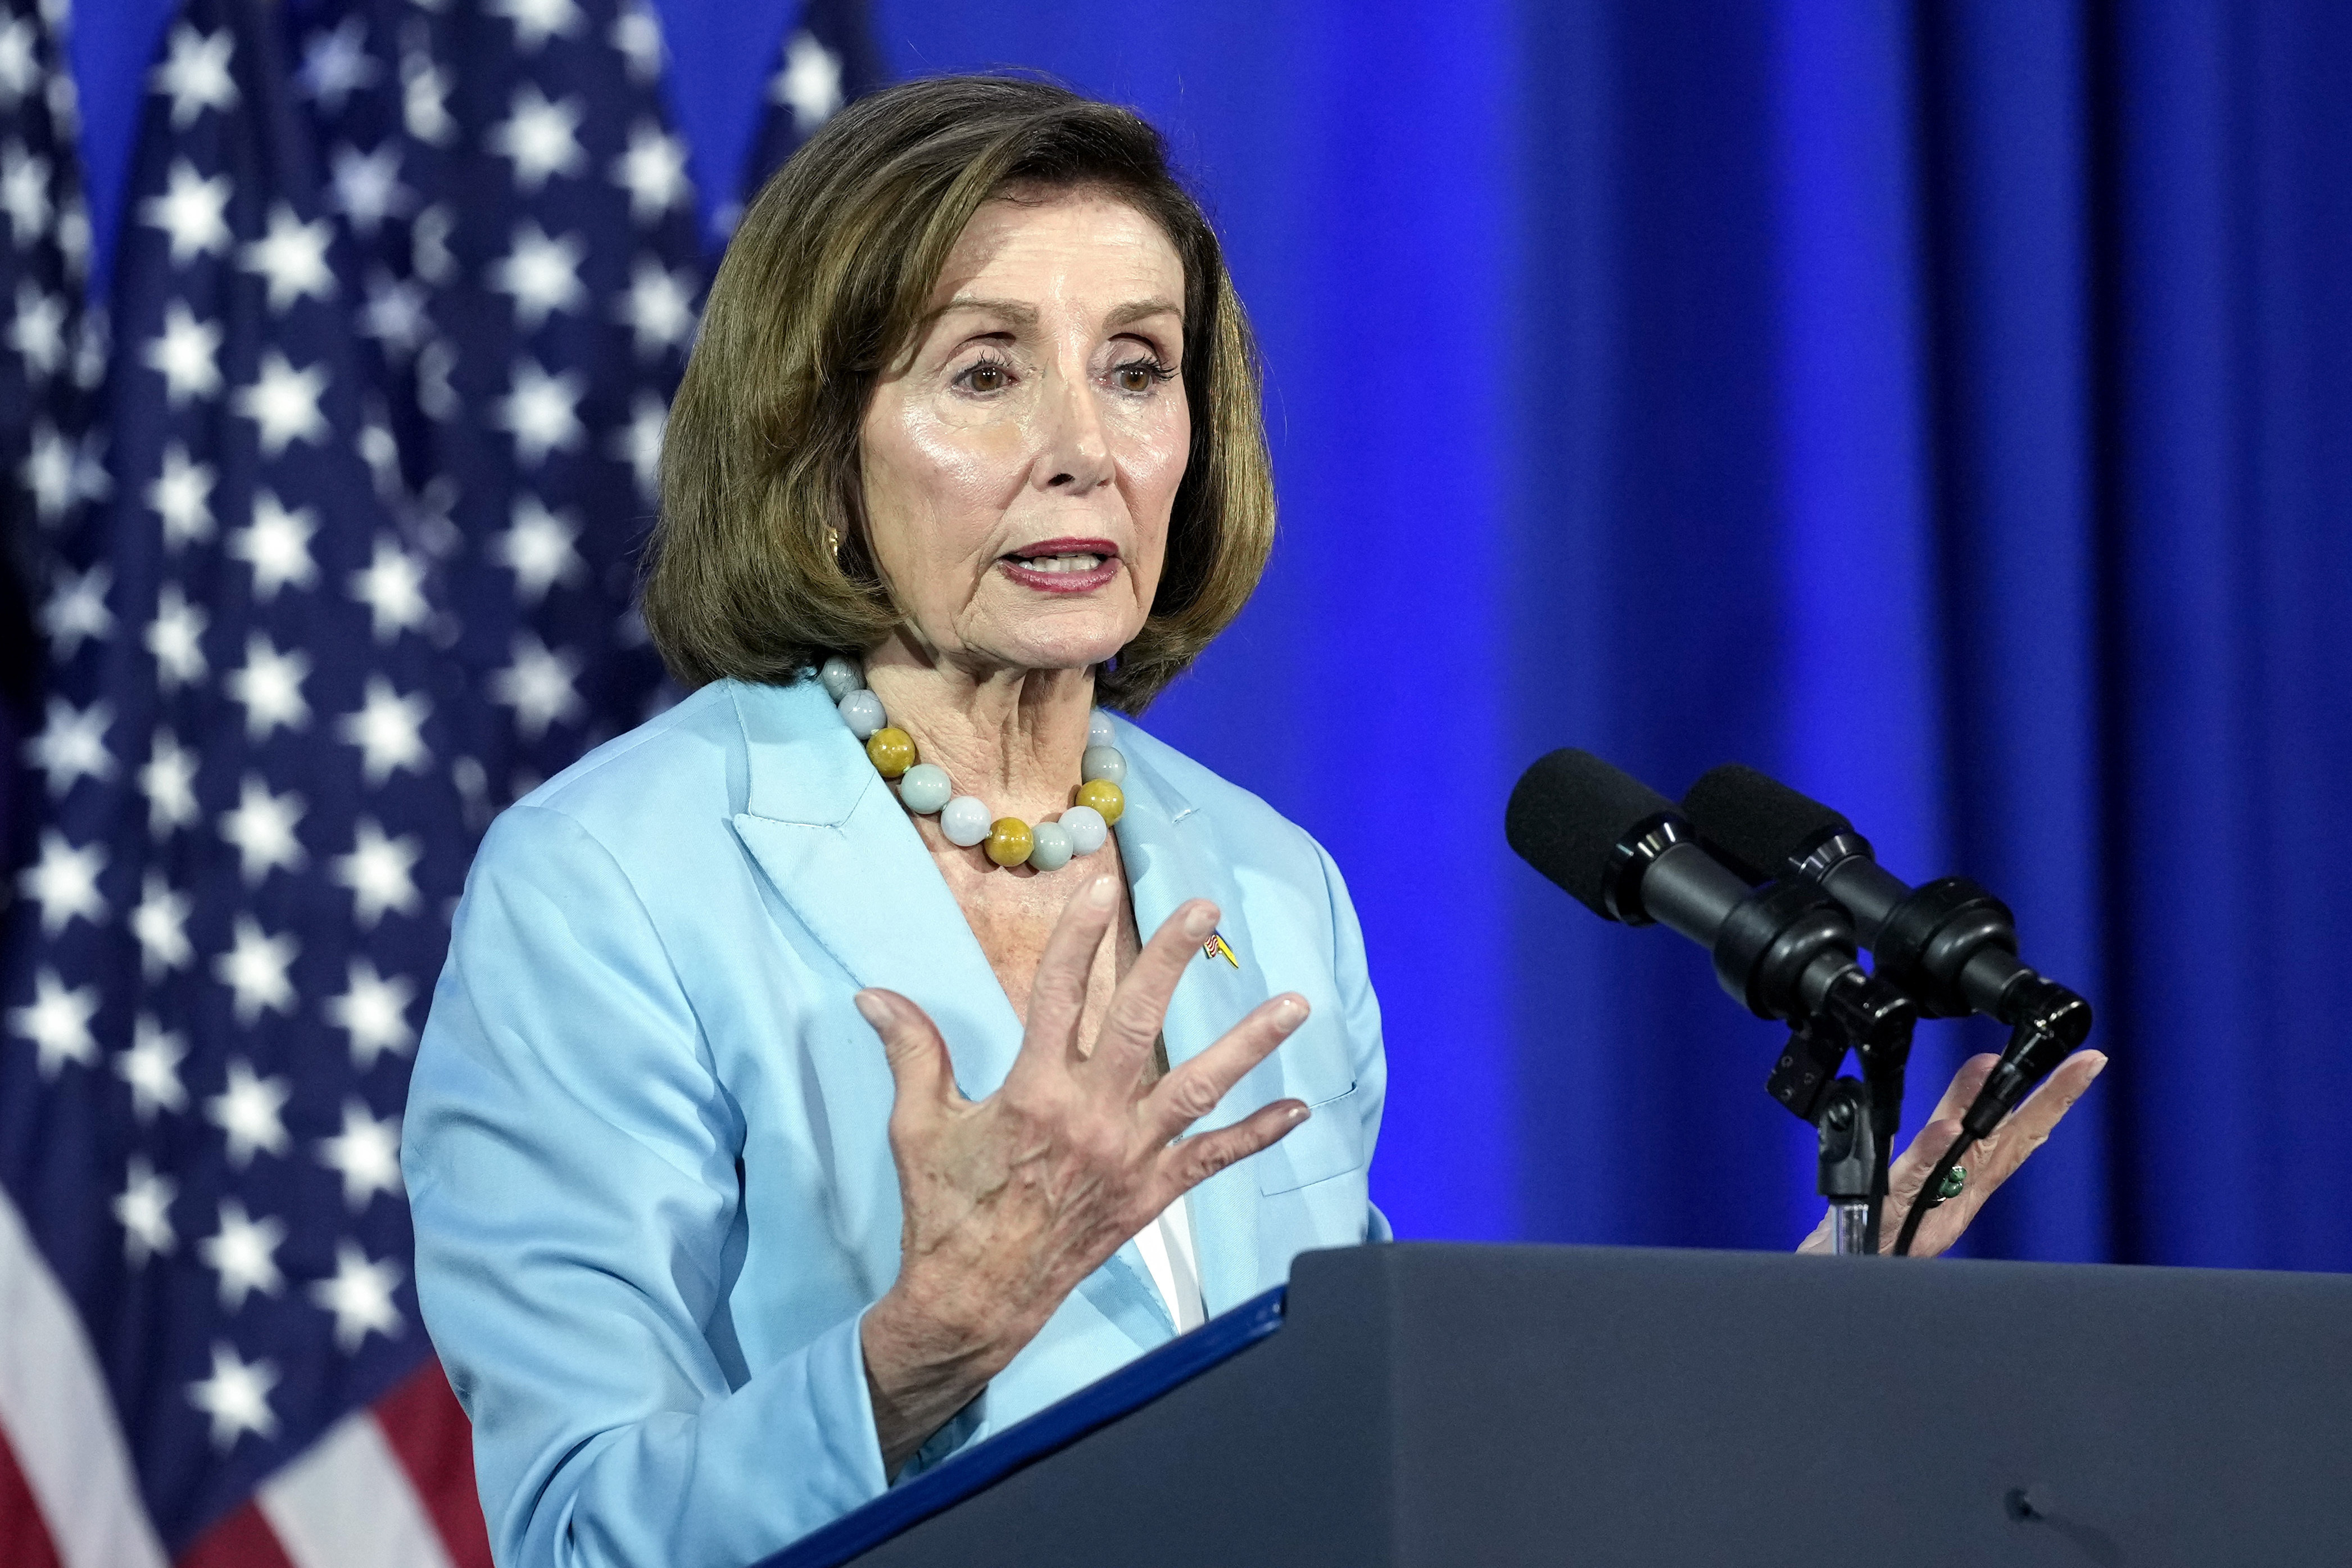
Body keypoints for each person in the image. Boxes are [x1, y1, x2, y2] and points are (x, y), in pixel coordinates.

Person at [401, 75, 2103, 1568]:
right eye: (983, 371)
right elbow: (576, 1536)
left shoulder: (1264, 882)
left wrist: (1798, 1331)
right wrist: (937, 1333)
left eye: (1136, 369)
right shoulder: (611, 880)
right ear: (815, 438)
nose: (1082, 447)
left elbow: (1355, 1448)